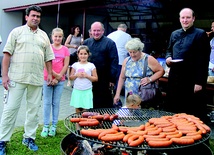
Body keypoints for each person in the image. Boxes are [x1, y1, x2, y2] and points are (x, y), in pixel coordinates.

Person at [0, 5, 55, 154]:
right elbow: (7, 55)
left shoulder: (43, 35)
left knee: (33, 111)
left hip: (36, 80)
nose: (35, 18)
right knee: (10, 110)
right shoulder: (16, 32)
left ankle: (29, 138)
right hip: (16, 78)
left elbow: (49, 57)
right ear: (26, 17)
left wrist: (49, 74)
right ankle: (3, 141)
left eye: (38, 16)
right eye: (33, 15)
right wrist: (4, 76)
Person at [165, 8, 210, 122]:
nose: (185, 20)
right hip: (174, 77)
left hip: (191, 79)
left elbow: (203, 60)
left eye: (188, 17)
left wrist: (199, 82)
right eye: (183, 17)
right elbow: (168, 50)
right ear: (179, 19)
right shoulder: (174, 34)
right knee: (174, 110)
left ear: (193, 19)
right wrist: (168, 58)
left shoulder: (200, 34)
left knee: (191, 112)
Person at [113, 38, 165, 108]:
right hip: (129, 96)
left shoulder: (148, 59)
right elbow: (122, 77)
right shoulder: (126, 60)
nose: (132, 55)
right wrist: (117, 94)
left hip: (144, 95)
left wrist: (150, 79)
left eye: (134, 52)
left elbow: (161, 71)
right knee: (129, 116)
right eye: (130, 52)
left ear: (140, 50)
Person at [40, 28, 70, 138]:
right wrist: (52, 74)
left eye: (60, 36)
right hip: (47, 79)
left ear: (63, 37)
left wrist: (58, 77)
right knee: (47, 103)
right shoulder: (48, 48)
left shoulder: (65, 49)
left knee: (56, 103)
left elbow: (66, 64)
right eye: (55, 36)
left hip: (60, 81)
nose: (57, 38)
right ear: (52, 37)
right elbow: (45, 62)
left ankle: (54, 126)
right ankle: (46, 126)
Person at [83, 21, 119, 109]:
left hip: (104, 78)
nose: (96, 33)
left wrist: (112, 79)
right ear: (90, 31)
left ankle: (105, 121)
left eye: (98, 30)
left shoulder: (110, 43)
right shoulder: (86, 43)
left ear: (103, 31)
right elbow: (77, 56)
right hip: (89, 78)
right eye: (94, 30)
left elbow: (114, 62)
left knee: (104, 103)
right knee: (90, 102)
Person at [69, 45, 98, 113]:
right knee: (78, 109)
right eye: (81, 54)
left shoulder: (91, 65)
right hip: (77, 90)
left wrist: (87, 76)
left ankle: (85, 123)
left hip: (87, 90)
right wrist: (76, 75)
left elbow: (96, 78)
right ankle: (77, 123)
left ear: (88, 54)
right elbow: (70, 77)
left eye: (85, 54)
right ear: (78, 54)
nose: (83, 56)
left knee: (85, 110)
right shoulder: (75, 65)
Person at [107, 23, 132, 96]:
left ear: (118, 28)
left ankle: (110, 92)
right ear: (125, 29)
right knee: (119, 78)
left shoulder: (110, 35)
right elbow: (130, 49)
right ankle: (116, 93)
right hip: (121, 60)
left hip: (110, 60)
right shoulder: (128, 36)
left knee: (110, 77)